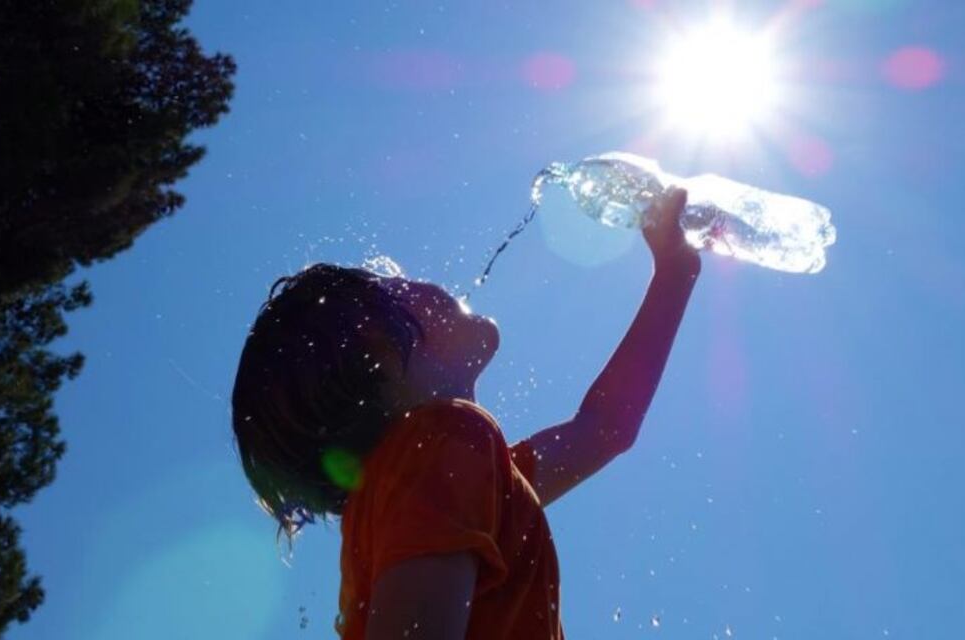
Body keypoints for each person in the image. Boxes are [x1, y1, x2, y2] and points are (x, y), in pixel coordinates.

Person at [231, 187, 700, 639]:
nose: (421, 282)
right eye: (397, 287)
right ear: (379, 356)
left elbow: (605, 429)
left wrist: (675, 272)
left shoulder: (447, 479)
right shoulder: (439, 447)